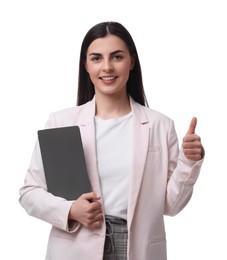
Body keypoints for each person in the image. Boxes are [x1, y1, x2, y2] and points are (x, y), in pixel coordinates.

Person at [19, 21, 204, 260]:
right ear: (85, 65)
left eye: (117, 57)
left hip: (137, 248)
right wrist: (71, 210)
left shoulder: (160, 125)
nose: (107, 67)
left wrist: (188, 162)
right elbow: (29, 192)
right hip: (76, 245)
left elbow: (170, 205)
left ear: (132, 62)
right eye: (96, 58)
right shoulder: (61, 122)